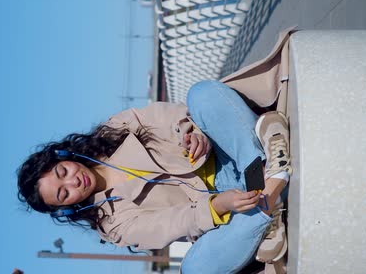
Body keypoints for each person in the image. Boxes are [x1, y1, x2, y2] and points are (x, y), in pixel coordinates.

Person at [17, 79, 293, 273]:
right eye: (64, 193)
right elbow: (171, 224)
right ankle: (271, 173)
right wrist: (217, 206)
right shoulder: (112, 225)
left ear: (63, 156)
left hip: (225, 153)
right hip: (225, 204)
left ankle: (264, 205)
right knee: (194, 269)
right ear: (66, 208)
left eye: (62, 172)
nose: (73, 182)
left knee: (201, 94)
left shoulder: (111, 130)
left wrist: (189, 133)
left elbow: (165, 118)